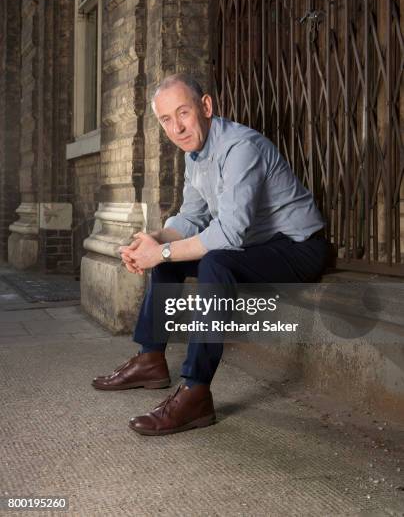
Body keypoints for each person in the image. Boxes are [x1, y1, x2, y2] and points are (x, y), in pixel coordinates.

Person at [92, 73, 329, 436]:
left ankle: (195, 391)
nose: (177, 127)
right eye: (166, 120)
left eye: (183, 113)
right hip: (260, 245)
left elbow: (230, 233)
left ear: (206, 106)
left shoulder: (240, 146)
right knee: (171, 260)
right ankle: (150, 359)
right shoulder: (196, 154)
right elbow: (191, 218)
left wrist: (164, 252)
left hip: (300, 247)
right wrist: (153, 241)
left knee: (214, 261)